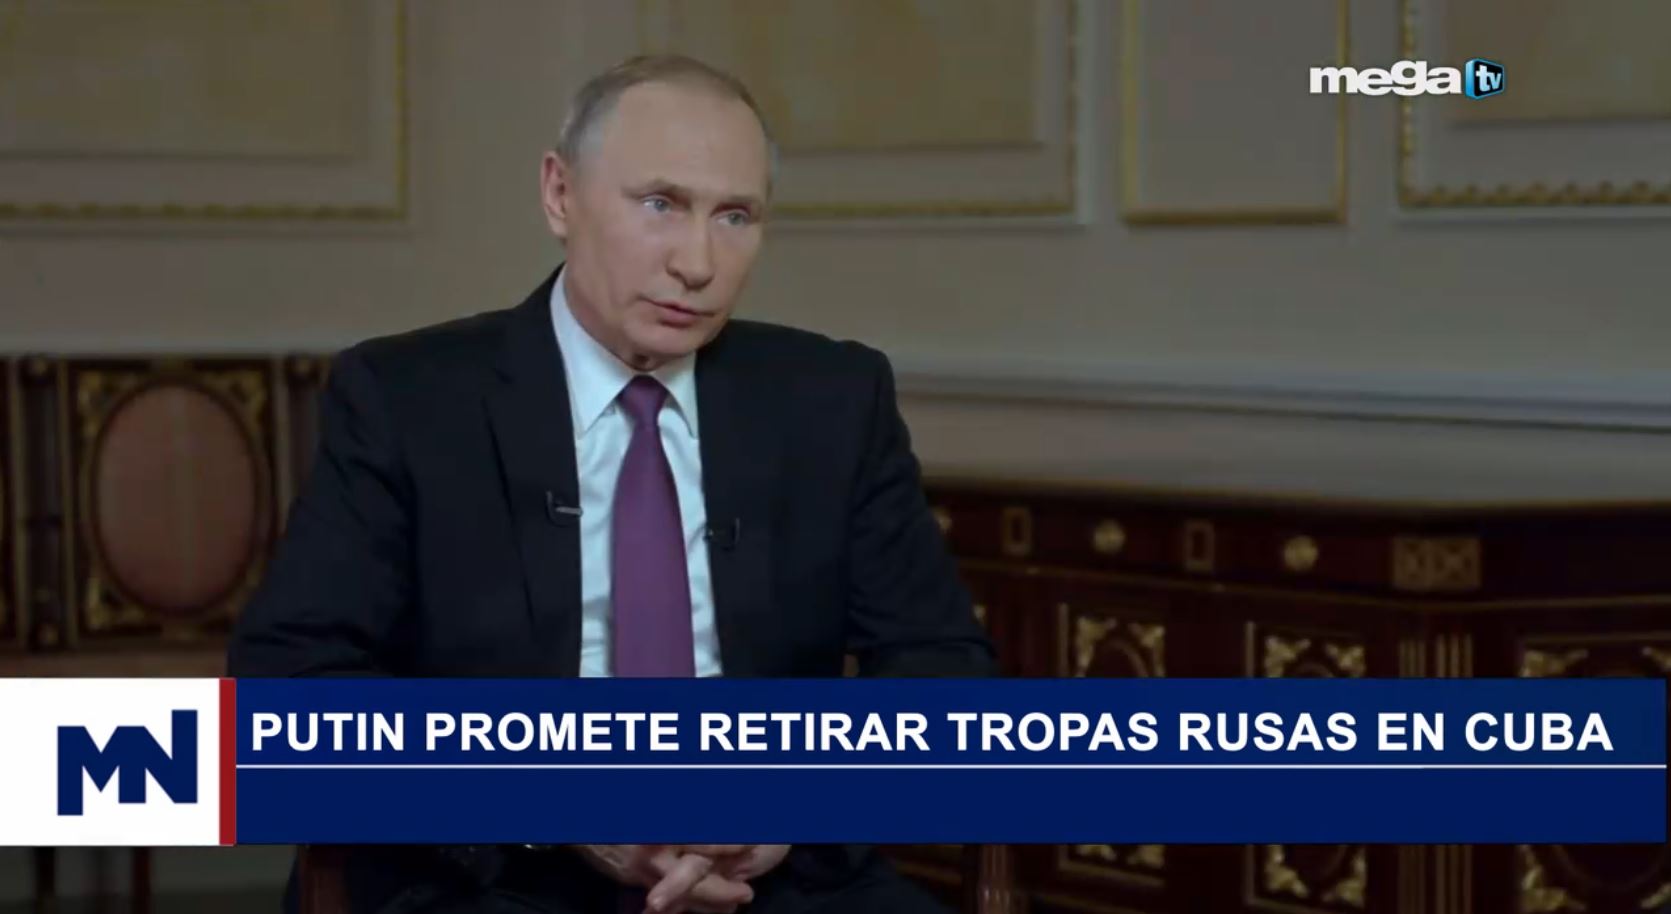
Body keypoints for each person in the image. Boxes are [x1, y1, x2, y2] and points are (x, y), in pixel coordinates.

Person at [228, 53, 994, 914]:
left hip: (779, 877)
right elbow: (290, 680)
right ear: (560, 194)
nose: (697, 263)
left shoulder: (833, 399)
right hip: (496, 875)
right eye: (660, 204)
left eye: (735, 216)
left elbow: (943, 669)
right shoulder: (406, 399)